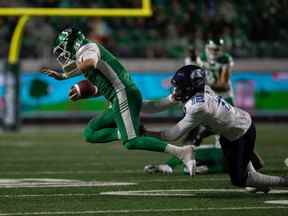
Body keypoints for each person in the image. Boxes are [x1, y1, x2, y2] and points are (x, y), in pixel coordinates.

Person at [40, 27, 195, 175]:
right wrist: (87, 92)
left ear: (73, 43)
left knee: (131, 142)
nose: (63, 54)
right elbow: (104, 84)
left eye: (64, 48)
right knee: (90, 132)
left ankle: (181, 152)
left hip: (123, 94)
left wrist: (65, 75)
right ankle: (128, 130)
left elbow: (92, 61)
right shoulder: (84, 54)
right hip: (119, 96)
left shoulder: (87, 49)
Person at [143, 64, 288, 190]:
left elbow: (173, 134)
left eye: (179, 87)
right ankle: (260, 183)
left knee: (240, 179)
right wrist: (135, 107)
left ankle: (284, 181)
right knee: (246, 177)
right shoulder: (201, 91)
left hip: (241, 132)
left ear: (190, 87)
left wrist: (145, 133)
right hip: (230, 131)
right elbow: (157, 105)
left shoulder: (198, 107)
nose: (175, 90)